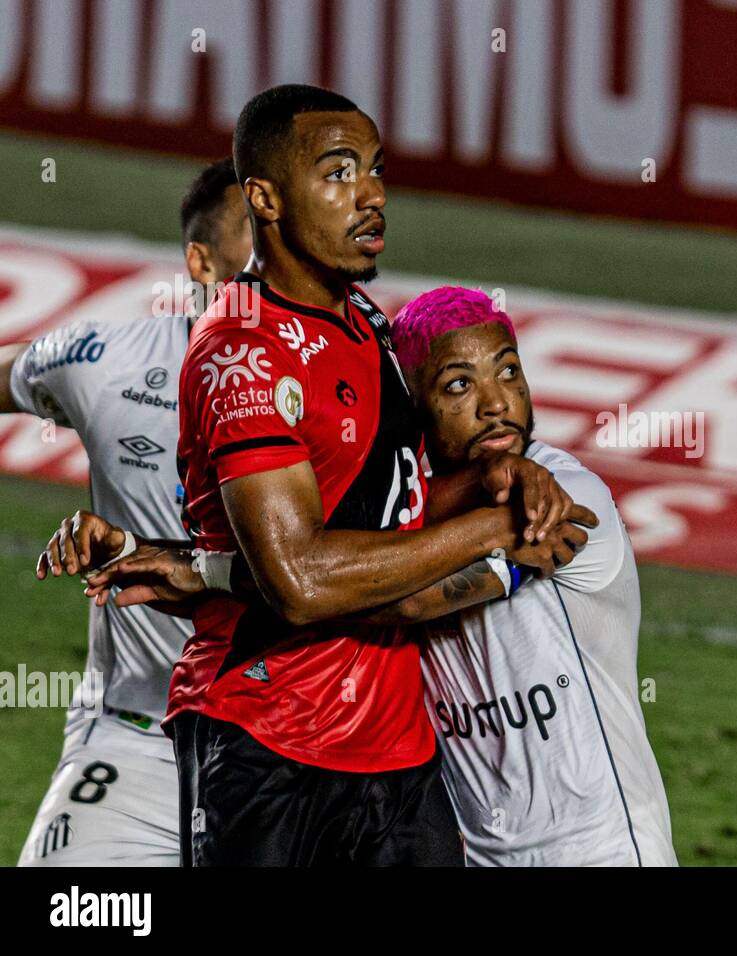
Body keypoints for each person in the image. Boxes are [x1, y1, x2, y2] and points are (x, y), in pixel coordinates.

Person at [102, 83, 589, 866]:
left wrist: (503, 477)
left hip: (397, 753)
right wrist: (496, 528)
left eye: (374, 168)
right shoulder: (242, 351)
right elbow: (300, 580)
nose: (371, 194)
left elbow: (399, 512)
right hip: (266, 738)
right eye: (337, 172)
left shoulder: (370, 329)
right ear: (263, 197)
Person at [78, 287, 677, 866]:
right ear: (411, 405)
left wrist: (208, 571)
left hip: (603, 849)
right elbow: (325, 576)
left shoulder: (559, 495)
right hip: (482, 855)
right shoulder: (400, 514)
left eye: (510, 372)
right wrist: (223, 568)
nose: (496, 403)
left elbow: (390, 601)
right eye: (459, 385)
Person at [0, 156, 251, 865]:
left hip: (294, 747)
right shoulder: (107, 362)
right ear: (202, 261)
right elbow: (9, 375)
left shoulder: (354, 377)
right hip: (138, 741)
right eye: (253, 228)